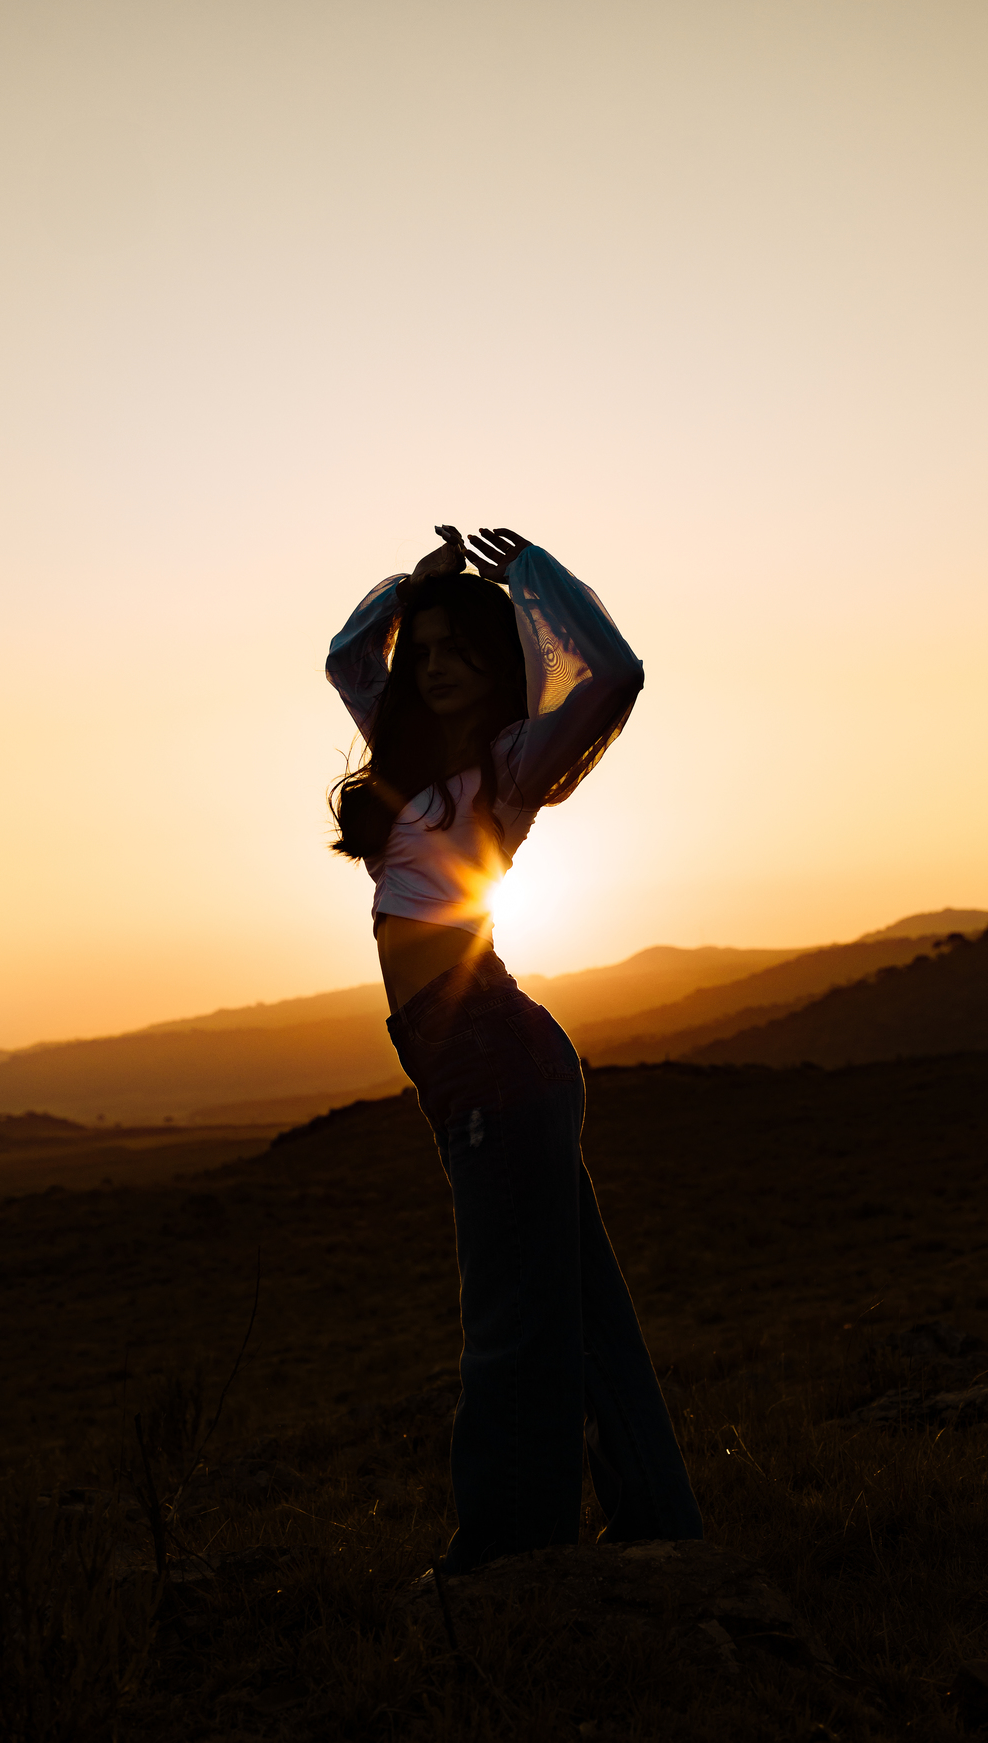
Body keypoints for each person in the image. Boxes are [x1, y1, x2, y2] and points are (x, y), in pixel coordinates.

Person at [326, 524, 702, 1573]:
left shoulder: (509, 764)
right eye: (428, 652)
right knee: (582, 1314)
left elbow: (615, 675)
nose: (438, 667)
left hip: (498, 1061)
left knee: (512, 1326)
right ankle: (661, 1525)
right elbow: (348, 660)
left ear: (502, 668)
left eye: (463, 652)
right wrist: (416, 588)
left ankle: (510, 1554)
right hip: (471, 1073)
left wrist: (527, 576)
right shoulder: (404, 772)